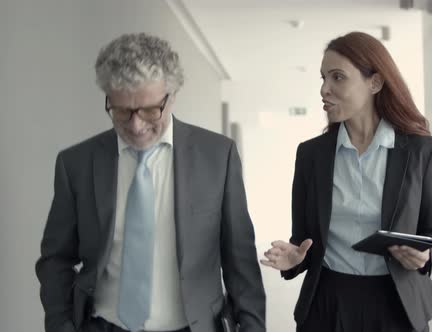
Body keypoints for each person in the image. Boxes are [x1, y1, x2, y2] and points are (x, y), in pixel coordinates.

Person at [35, 33, 266, 332]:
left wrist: (252, 326)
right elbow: (55, 259)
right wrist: (61, 324)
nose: (136, 125)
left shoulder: (218, 156)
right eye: (121, 110)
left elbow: (240, 261)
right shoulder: (76, 164)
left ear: (172, 95)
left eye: (149, 110)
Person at [260, 31, 432, 332]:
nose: (324, 89)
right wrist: (295, 258)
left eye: (337, 77)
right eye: (322, 78)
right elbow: (303, 239)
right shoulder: (311, 155)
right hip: (327, 303)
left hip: (396, 303)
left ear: (374, 83)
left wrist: (424, 255)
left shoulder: (421, 151)